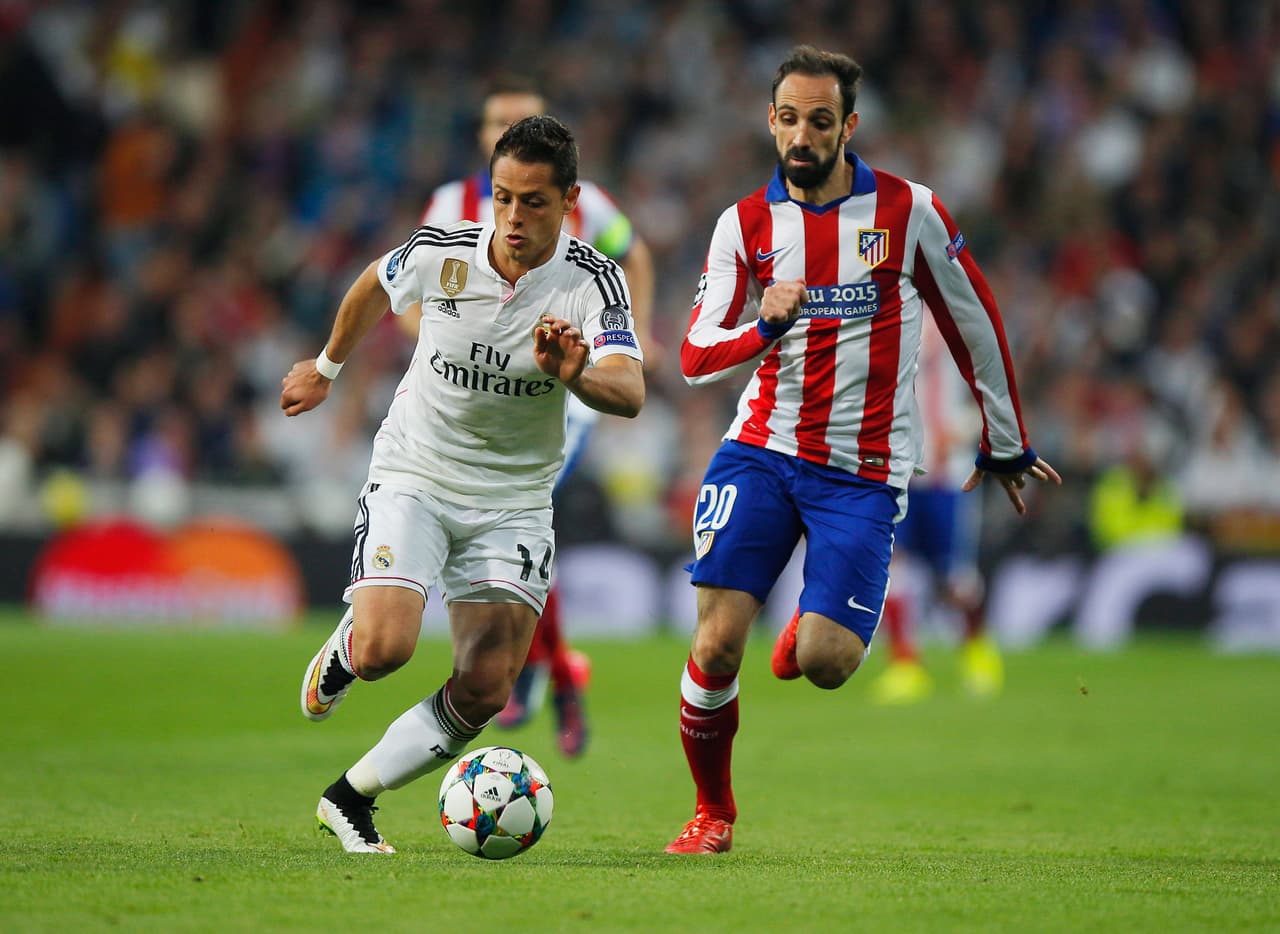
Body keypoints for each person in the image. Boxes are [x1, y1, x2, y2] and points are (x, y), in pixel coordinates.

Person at [666, 46, 1060, 855]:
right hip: (762, 451)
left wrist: (1006, 441)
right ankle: (713, 813)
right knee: (714, 643)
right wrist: (766, 324)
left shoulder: (910, 212)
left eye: (819, 120)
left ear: (849, 125)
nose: (801, 136)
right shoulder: (742, 225)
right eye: (787, 119)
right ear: (770, 122)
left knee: (829, 662)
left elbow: (973, 318)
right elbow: (696, 352)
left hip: (864, 474)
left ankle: (803, 632)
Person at [282, 115, 644, 854]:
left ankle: (350, 798)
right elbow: (373, 287)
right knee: (387, 648)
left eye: (534, 202)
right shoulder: (441, 252)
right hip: (416, 470)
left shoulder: (591, 281)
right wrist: (325, 368)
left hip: (512, 501)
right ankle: (352, 647)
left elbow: (630, 388)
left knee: (485, 688)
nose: (513, 218)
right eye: (504, 198)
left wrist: (576, 374)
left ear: (569, 200)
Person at [404, 75, 657, 758]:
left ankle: (543, 672)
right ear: (485, 137)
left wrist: (640, 329)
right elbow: (407, 282)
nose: (503, 130)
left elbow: (633, 249)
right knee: (517, 515)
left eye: (518, 120)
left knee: (523, 500)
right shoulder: (450, 205)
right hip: (474, 392)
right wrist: (435, 335)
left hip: (557, 391)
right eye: (494, 122)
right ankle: (556, 668)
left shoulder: (585, 201)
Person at [823, 316, 1004, 706]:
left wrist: (966, 428)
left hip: (948, 474)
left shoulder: (958, 319)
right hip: (899, 470)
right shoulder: (888, 312)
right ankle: (906, 665)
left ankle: (978, 655)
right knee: (894, 567)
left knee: (955, 579)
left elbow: (992, 387)